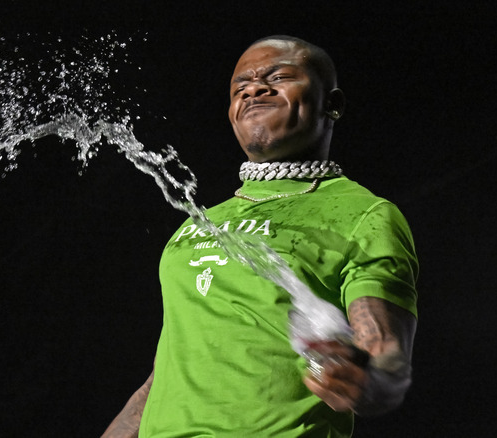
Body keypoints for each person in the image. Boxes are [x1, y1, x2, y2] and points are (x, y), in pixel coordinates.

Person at [102, 35, 418, 438]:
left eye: (279, 76)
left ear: (332, 104)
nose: (254, 88)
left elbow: (387, 356)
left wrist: (366, 381)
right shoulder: (198, 224)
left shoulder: (365, 215)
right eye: (241, 87)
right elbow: (165, 376)